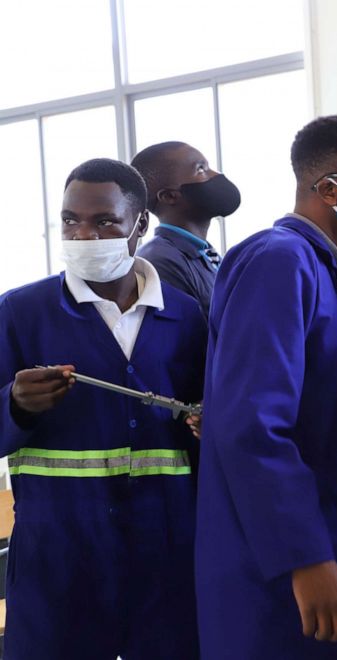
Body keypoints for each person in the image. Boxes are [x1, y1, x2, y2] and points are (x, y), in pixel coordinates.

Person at [195, 115, 337, 659]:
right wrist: (304, 557)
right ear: (329, 190)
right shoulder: (278, 262)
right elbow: (252, 425)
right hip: (282, 564)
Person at [0, 158, 207, 659]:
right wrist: (15, 405)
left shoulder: (185, 316)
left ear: (139, 225)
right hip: (58, 559)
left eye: (103, 221)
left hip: (164, 556)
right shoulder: (20, 313)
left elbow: (205, 425)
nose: (83, 234)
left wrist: (204, 423)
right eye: (71, 220)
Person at [131, 141, 241, 317]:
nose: (216, 175)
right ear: (169, 196)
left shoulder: (204, 253)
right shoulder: (159, 262)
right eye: (201, 169)